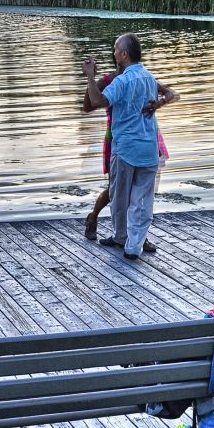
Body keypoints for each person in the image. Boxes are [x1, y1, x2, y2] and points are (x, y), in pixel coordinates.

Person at [83, 34, 173, 259]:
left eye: (115, 49)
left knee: (120, 197)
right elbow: (171, 94)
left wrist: (90, 77)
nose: (113, 53)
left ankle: (124, 239)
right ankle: (132, 244)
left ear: (123, 54)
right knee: (142, 200)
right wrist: (159, 103)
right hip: (149, 147)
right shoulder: (150, 78)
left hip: (126, 149)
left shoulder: (122, 81)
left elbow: (96, 102)